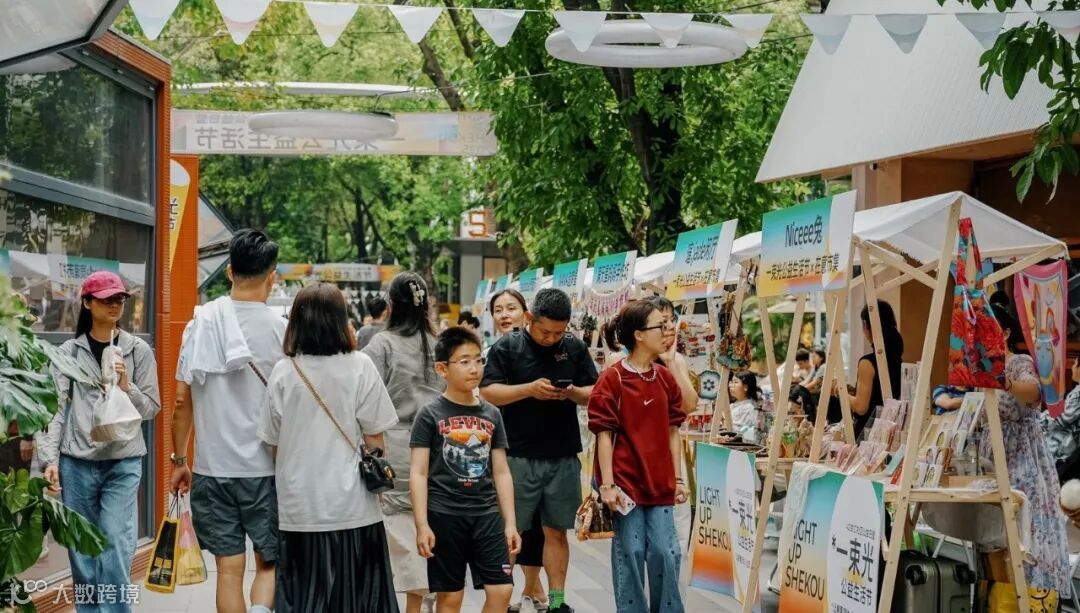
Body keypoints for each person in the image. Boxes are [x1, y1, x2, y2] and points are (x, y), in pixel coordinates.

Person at [259, 283, 400, 612]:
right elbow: (375, 440)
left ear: (297, 321)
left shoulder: (284, 371)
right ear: (341, 320)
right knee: (356, 600)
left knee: (304, 597)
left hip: (299, 507)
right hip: (353, 506)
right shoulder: (360, 366)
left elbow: (272, 442)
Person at [171, 229, 286, 613]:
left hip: (211, 470)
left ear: (230, 272)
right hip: (266, 471)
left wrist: (179, 460)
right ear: (272, 276)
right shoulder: (282, 330)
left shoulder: (198, 325)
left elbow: (181, 404)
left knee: (228, 571)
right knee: (268, 565)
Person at [37, 271, 161, 612]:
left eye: (120, 298)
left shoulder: (138, 351)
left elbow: (151, 408)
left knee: (115, 546)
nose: (115, 305)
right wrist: (49, 460)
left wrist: (127, 386)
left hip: (124, 462)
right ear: (88, 303)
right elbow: (53, 408)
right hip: (77, 465)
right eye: (106, 299)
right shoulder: (68, 352)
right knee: (83, 553)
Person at [481, 288, 599, 613]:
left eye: (558, 333)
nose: (551, 338)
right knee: (511, 532)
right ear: (530, 318)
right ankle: (500, 601)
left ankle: (557, 601)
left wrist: (572, 392)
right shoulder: (508, 347)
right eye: (545, 331)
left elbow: (595, 391)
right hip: (516, 455)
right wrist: (529, 390)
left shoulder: (574, 347)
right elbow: (488, 391)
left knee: (557, 531)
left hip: (562, 454)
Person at [588, 299, 689, 613]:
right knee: (630, 551)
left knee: (666, 552)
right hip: (625, 484)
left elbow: (674, 431)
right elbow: (603, 435)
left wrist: (679, 479)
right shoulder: (613, 378)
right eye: (660, 325)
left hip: (660, 483)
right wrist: (607, 485)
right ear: (639, 335)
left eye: (669, 324)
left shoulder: (665, 378)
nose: (667, 330)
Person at [411, 327, 521, 613]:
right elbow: (418, 473)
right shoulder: (429, 414)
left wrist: (510, 522)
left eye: (478, 360)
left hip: (486, 514)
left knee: (502, 589)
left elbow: (501, 472)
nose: (474, 368)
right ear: (442, 369)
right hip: (444, 515)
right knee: (450, 597)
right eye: (464, 361)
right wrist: (422, 524)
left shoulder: (491, 414)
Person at [363, 272, 445, 613]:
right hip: (439, 449)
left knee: (402, 536)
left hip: (393, 450)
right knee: (430, 528)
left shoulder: (382, 345)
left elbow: (363, 395)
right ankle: (426, 601)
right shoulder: (441, 344)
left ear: (391, 305)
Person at [985, 305, 1071, 600]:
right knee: (995, 540)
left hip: (1023, 462)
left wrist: (1002, 380)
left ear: (1006, 333)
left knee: (1025, 535)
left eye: (991, 329)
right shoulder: (981, 367)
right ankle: (999, 599)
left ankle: (1031, 600)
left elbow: (1034, 391)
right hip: (994, 461)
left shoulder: (1018, 362)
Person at [486, 288, 548, 612]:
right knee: (508, 520)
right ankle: (518, 589)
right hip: (501, 447)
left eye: (511, 307)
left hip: (536, 446)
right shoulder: (490, 352)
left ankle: (530, 587)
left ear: (526, 313)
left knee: (534, 522)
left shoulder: (540, 349)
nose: (504, 314)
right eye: (498, 309)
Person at [602, 297, 699, 413]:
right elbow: (605, 411)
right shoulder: (618, 363)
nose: (672, 326)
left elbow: (690, 405)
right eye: (663, 322)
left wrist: (670, 362)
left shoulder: (675, 359)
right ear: (640, 333)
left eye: (673, 319)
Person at [833, 300, 903, 439]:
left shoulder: (867, 363)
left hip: (867, 436)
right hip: (890, 433)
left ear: (865, 325)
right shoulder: (898, 361)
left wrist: (839, 390)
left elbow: (861, 407)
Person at [1043, 357, 1080, 480]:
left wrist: (1038, 419)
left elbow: (1060, 419)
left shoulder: (1078, 394)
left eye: (1075, 364)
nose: (1073, 368)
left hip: (1062, 448)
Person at [729, 371, 763, 443]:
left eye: (735, 382)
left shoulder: (750, 408)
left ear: (745, 387)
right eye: (731, 382)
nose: (730, 385)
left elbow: (743, 433)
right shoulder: (733, 405)